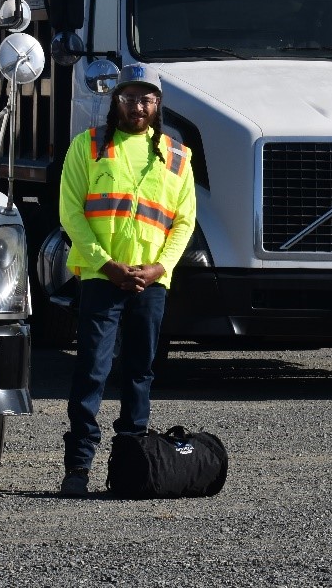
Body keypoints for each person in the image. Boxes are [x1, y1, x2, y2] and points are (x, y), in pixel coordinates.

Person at [58, 64, 196, 497]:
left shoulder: (176, 156)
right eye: (130, 98)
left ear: (158, 105)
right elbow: (71, 212)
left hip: (150, 283)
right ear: (116, 101)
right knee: (92, 372)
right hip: (103, 277)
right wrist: (106, 263)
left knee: (139, 372)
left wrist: (159, 268)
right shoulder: (90, 146)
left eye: (147, 99)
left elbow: (184, 221)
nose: (139, 106)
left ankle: (131, 468)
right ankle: (78, 470)